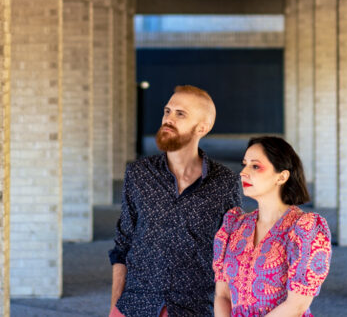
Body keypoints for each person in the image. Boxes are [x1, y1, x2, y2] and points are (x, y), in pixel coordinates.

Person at [110, 85, 242, 317]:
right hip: (135, 306)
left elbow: (230, 256)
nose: (168, 119)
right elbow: (123, 245)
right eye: (167, 111)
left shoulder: (225, 182)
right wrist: (114, 307)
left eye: (180, 114)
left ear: (203, 127)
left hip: (194, 308)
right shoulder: (138, 174)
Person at [212, 136, 331, 317]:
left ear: (282, 176)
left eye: (255, 166)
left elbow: (296, 305)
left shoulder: (305, 229)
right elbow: (223, 295)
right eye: (245, 164)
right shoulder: (234, 225)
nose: (243, 172)